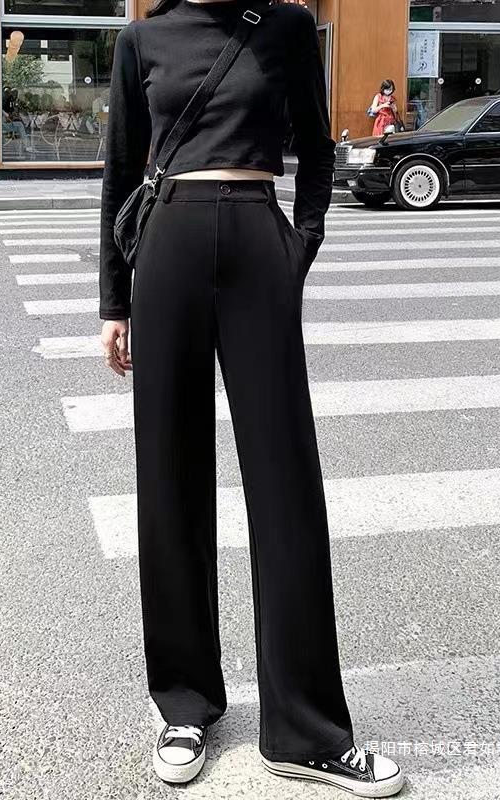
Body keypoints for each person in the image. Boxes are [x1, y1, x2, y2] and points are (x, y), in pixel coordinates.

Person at [98, 0, 404, 796]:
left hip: (257, 243)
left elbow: (317, 146)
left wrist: (299, 246)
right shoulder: (143, 39)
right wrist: (113, 303)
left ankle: (305, 731)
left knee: (286, 483)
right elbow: (121, 168)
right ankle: (184, 704)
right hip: (167, 244)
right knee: (169, 481)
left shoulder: (286, 27)